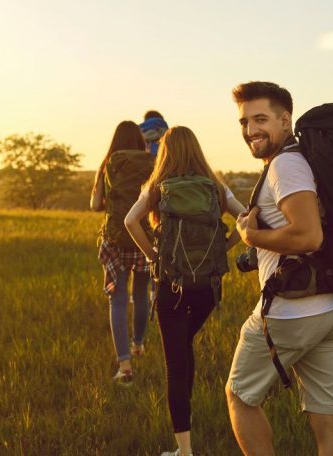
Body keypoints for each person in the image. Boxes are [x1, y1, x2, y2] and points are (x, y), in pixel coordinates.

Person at [226, 81, 333, 456]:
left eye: (261, 119)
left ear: (286, 120)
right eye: (244, 122)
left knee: (239, 397)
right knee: (327, 421)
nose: (251, 130)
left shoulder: (287, 165)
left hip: (292, 312)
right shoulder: (303, 161)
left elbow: (309, 236)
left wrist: (252, 239)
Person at [124, 126, 246, 456]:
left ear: (166, 152)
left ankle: (184, 451)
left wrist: (153, 256)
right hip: (207, 287)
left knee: (175, 365)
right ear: (196, 149)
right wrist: (226, 245)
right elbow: (247, 218)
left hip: (171, 285)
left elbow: (130, 221)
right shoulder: (216, 187)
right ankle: (186, 437)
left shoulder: (156, 187)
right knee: (184, 345)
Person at [90, 121, 154, 386]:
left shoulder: (108, 164)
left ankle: (125, 366)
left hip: (115, 239)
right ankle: (138, 344)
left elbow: (95, 205)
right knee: (141, 295)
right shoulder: (152, 163)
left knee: (117, 301)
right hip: (143, 237)